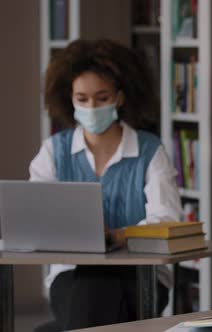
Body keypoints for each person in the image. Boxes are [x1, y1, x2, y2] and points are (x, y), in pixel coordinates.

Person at [30, 39, 182, 331]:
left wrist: (117, 236)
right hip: (71, 274)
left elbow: (166, 220)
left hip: (142, 275)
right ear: (69, 98)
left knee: (94, 295)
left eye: (101, 98)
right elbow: (35, 215)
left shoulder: (150, 150)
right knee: (91, 286)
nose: (91, 107)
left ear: (120, 98)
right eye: (82, 99)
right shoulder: (54, 151)